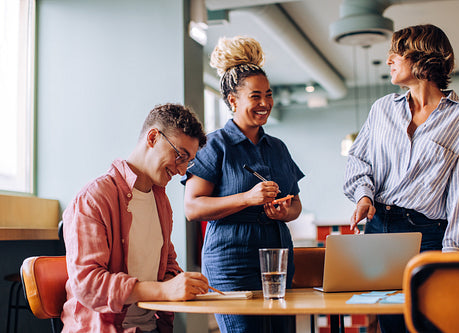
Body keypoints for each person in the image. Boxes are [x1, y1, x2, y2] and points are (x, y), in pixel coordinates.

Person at [344, 24, 459, 332]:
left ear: (422, 57)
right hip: (379, 230)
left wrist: (452, 260)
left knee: (430, 323)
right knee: (391, 325)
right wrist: (364, 195)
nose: (389, 60)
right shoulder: (382, 109)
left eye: (397, 52)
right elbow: (358, 160)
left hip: (428, 237)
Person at [182, 36, 304, 333]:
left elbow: (297, 204)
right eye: (256, 96)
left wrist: (283, 212)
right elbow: (192, 207)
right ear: (233, 100)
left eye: (269, 95)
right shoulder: (213, 145)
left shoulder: (277, 147)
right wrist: (247, 199)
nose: (265, 104)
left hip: (278, 258)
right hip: (231, 262)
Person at [61, 103, 208, 333]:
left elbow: (167, 264)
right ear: (152, 137)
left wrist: (178, 280)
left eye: (188, 162)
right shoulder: (93, 198)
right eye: (179, 156)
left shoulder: (161, 201)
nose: (181, 171)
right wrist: (165, 290)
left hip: (152, 328)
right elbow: (88, 284)